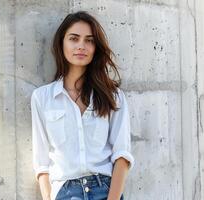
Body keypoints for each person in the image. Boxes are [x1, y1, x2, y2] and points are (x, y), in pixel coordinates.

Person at [31, 11, 134, 200]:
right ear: (62, 43)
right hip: (65, 192)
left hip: (105, 189)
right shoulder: (42, 98)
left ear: (96, 47)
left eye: (89, 40)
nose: (81, 46)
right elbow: (41, 162)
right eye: (74, 38)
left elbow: (122, 155)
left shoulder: (113, 96)